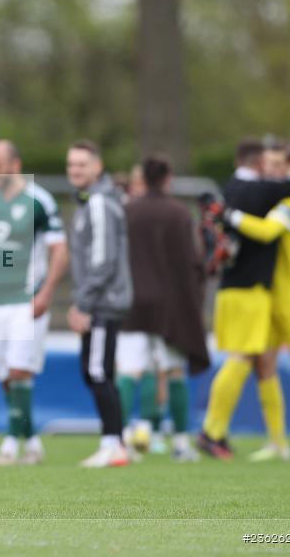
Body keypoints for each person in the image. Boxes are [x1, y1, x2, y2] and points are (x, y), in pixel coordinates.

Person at [197, 138, 290, 460]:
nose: (273, 171)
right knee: (264, 365)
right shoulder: (278, 188)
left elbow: (266, 231)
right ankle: (278, 443)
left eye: (280, 165)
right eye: (270, 165)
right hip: (266, 294)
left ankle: (212, 430)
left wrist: (230, 215)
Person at [0, 140, 68, 466]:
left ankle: (11, 442)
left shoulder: (39, 200)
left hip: (26, 299)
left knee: (19, 370)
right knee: (5, 377)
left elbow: (59, 250)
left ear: (15, 165)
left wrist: (45, 293)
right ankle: (30, 437)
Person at [116, 155, 209, 462]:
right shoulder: (180, 213)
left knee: (129, 371)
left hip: (133, 304)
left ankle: (120, 441)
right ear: (168, 178)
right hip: (169, 306)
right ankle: (181, 443)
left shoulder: (127, 211)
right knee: (173, 372)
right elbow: (190, 262)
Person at [66, 140, 134, 468]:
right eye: (71, 165)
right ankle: (116, 441)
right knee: (95, 371)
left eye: (81, 164)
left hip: (103, 303)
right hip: (100, 300)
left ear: (98, 166)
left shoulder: (99, 203)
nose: (75, 170)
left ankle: (114, 443)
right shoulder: (91, 201)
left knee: (97, 371)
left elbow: (104, 260)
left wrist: (82, 303)